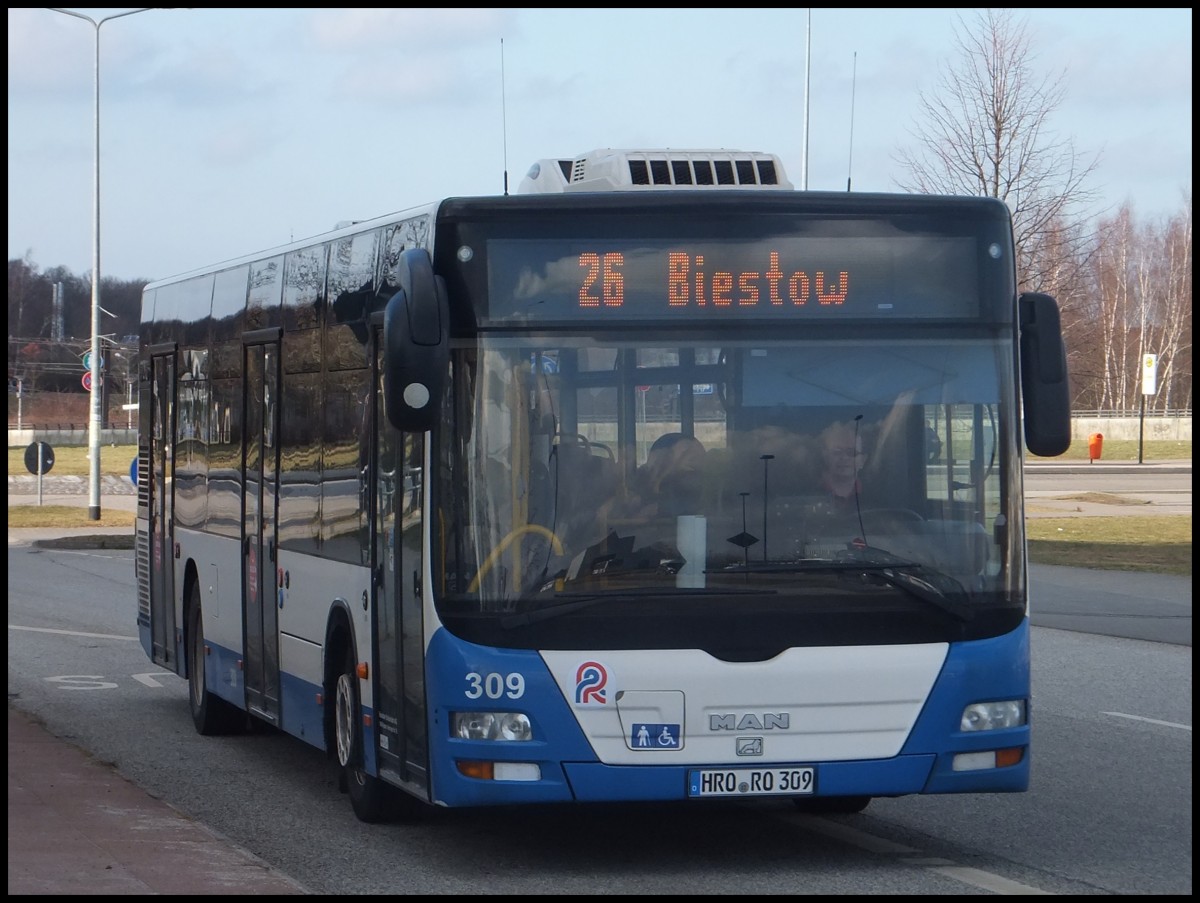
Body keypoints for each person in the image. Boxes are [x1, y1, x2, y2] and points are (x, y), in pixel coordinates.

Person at [816, 420, 865, 515]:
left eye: (851, 452)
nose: (844, 458)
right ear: (825, 456)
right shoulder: (807, 493)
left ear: (863, 460)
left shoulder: (879, 497)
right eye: (837, 452)